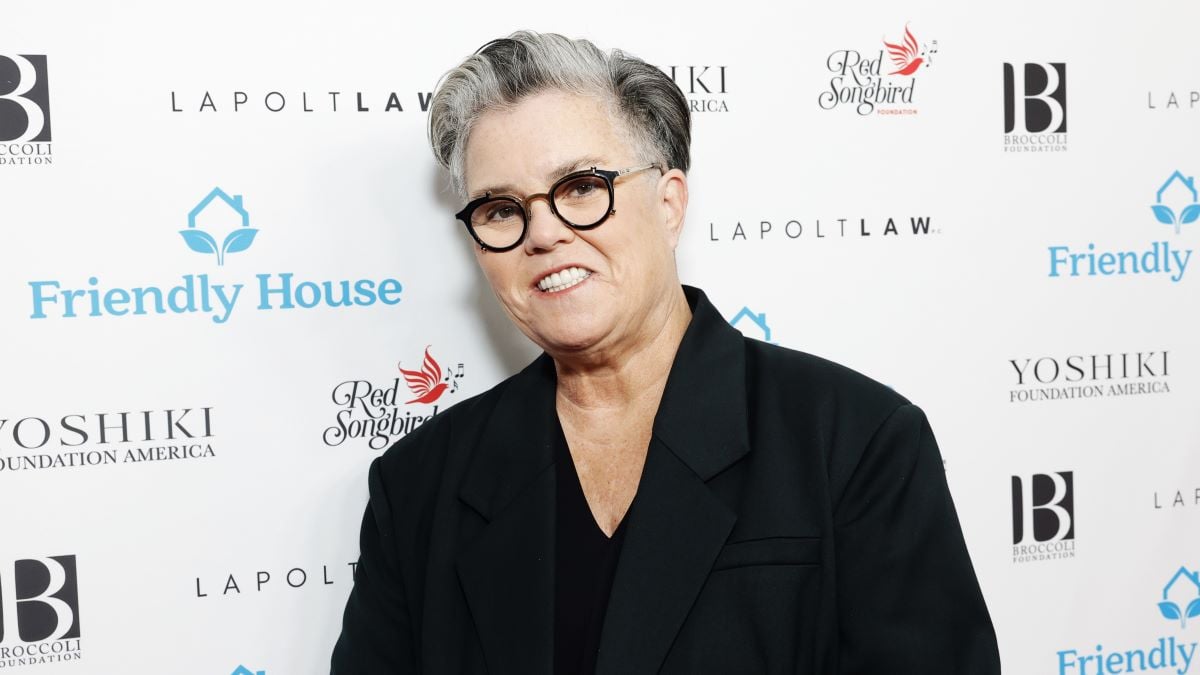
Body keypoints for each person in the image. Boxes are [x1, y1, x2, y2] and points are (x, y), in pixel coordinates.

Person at [331, 30, 1000, 674]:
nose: (543, 233)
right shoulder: (418, 486)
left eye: (581, 188)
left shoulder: (855, 443)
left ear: (670, 203)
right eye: (502, 208)